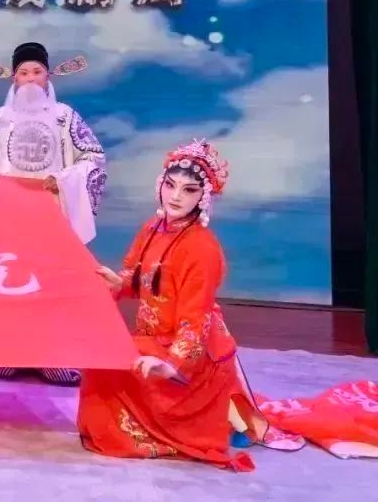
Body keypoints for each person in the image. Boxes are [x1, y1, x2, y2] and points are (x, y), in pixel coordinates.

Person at [77, 139, 300, 471]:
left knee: (112, 368)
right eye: (170, 185)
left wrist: (170, 365)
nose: (175, 196)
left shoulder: (201, 249)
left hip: (190, 355)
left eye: (189, 190)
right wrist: (119, 283)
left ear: (203, 197)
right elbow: (139, 276)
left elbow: (194, 322)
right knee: (101, 357)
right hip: (154, 340)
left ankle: (194, 425)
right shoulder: (152, 227)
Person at [0, 41, 105, 386]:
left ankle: (52, 358)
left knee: (49, 285)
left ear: (48, 77)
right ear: (13, 79)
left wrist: (63, 180)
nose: (30, 79)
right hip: (7, 216)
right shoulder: (0, 119)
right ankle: (6, 352)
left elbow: (93, 158)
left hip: (50, 215)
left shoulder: (65, 117)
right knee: (8, 280)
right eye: (23, 73)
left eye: (37, 72)